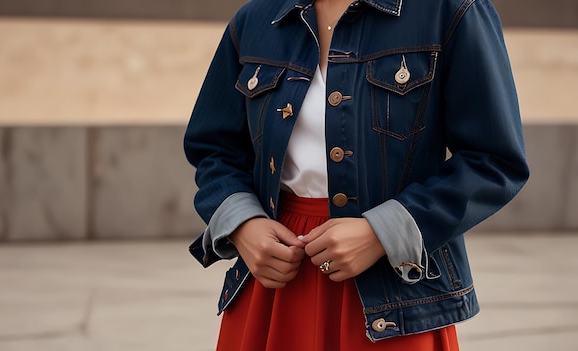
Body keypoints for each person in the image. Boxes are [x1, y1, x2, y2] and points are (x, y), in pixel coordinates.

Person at [184, 0, 529, 349]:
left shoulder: (450, 10)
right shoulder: (257, 19)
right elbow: (214, 148)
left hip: (396, 295)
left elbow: (494, 159)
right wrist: (244, 225)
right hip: (272, 279)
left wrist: (382, 233)